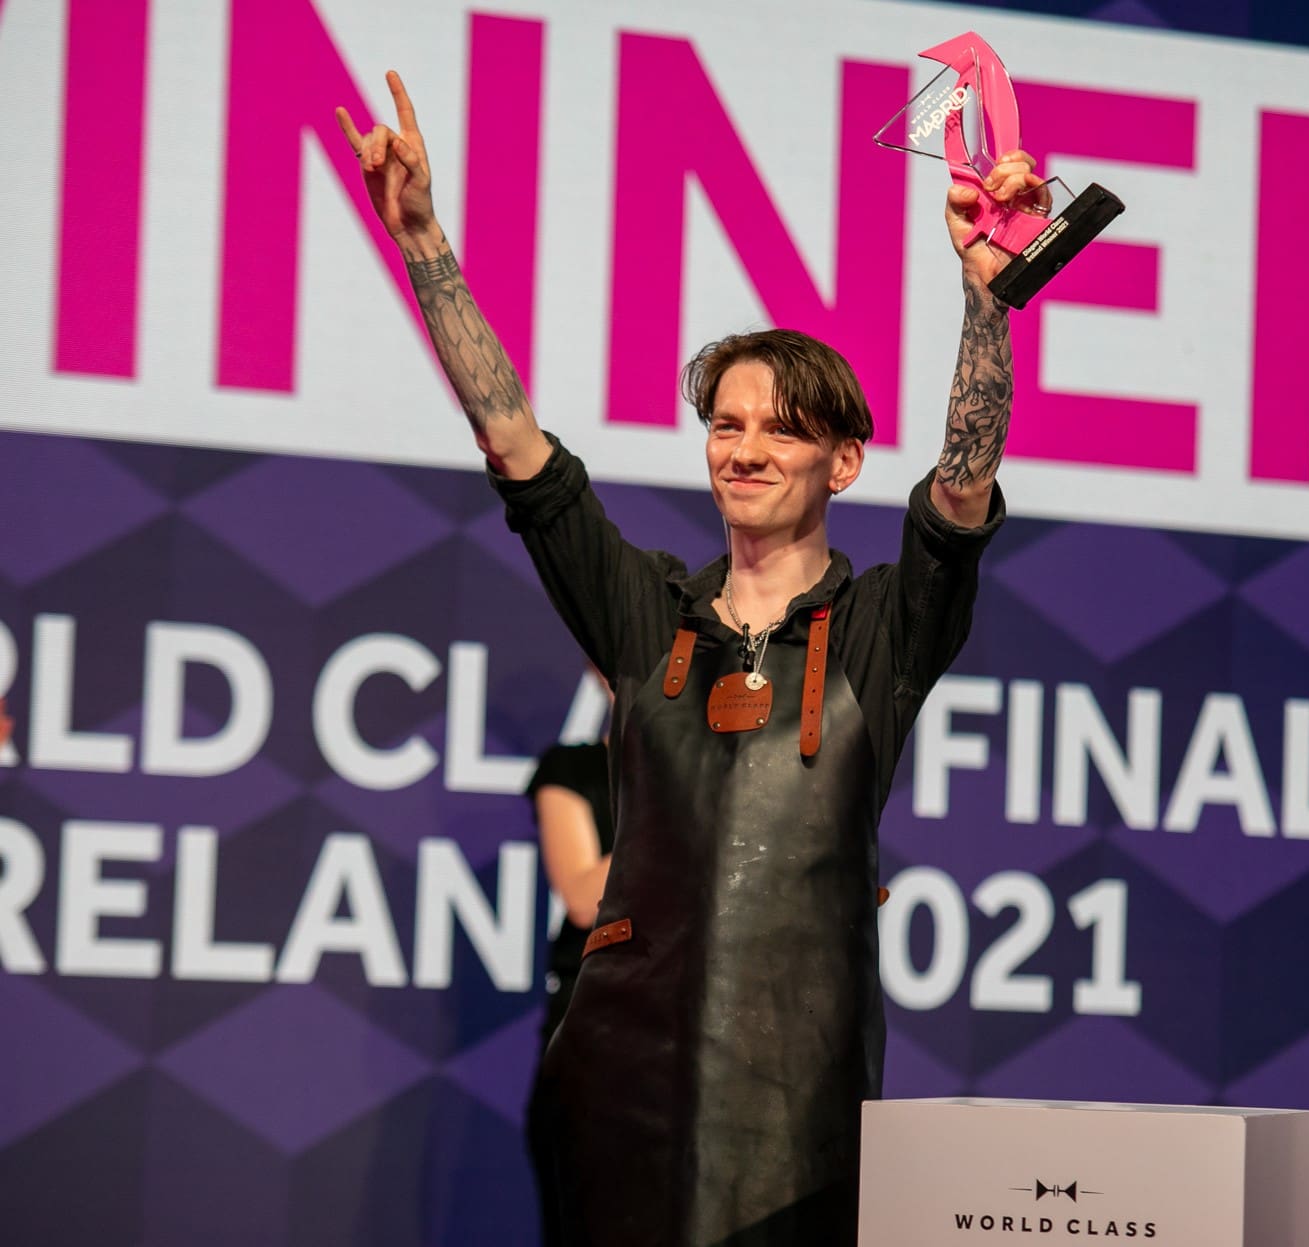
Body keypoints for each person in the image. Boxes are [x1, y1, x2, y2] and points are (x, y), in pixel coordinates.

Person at [338, 69, 1046, 1247]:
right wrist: (423, 245)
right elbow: (515, 446)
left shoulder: (881, 625)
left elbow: (961, 491)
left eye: (781, 428)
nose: (744, 449)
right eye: (725, 423)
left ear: (844, 461)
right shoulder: (645, 613)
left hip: (797, 1097)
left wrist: (986, 300)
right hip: (615, 1086)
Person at [526, 688, 613, 1247]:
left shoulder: (736, 776)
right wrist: (681, 800)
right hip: (595, 1024)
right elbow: (584, 898)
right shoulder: (572, 768)